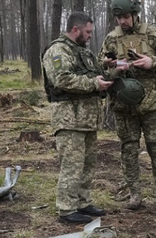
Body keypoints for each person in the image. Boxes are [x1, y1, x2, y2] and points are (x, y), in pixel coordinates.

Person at [99, 0, 156, 211]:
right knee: (128, 149)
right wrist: (111, 67)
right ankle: (135, 194)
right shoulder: (111, 39)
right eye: (119, 18)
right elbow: (100, 70)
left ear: (135, 14)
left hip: (152, 105)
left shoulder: (153, 34)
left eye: (126, 16)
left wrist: (151, 62)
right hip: (124, 106)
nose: (122, 21)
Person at [42, 12, 114, 224]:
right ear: (76, 29)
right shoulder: (58, 50)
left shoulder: (84, 52)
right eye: (88, 32)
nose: (91, 36)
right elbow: (61, 79)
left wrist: (106, 69)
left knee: (87, 164)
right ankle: (66, 209)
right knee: (72, 166)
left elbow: (92, 74)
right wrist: (94, 84)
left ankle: (82, 202)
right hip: (69, 119)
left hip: (87, 119)